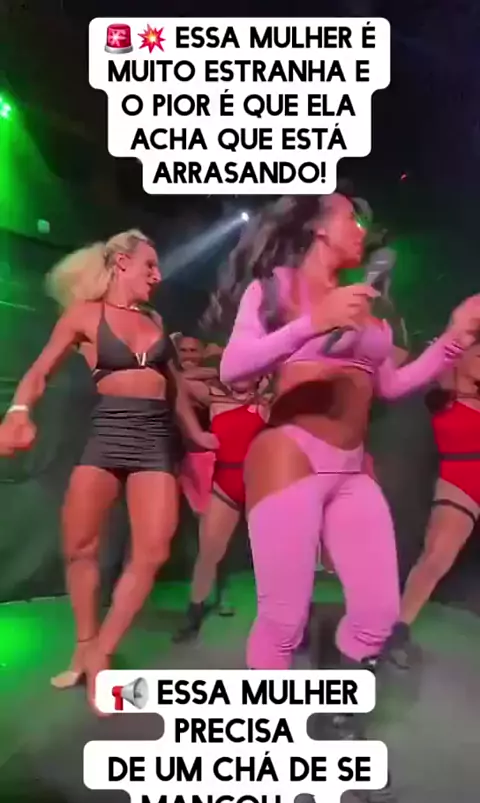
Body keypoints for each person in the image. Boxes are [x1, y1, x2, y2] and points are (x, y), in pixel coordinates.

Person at [209, 192, 480, 691]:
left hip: (351, 468)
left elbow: (391, 385)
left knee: (378, 615)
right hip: (289, 456)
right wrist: (313, 323)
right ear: (318, 227)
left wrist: (453, 338)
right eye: (351, 219)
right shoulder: (276, 287)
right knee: (283, 621)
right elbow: (233, 367)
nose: (361, 230)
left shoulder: (364, 303)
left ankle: (338, 706)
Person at [0, 229, 217, 710]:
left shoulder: (155, 319)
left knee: (153, 549)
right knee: (80, 547)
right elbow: (39, 371)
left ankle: (102, 652)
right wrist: (18, 412)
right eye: (149, 266)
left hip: (154, 439)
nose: (157, 276)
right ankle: (84, 644)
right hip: (107, 435)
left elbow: (174, 386)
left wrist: (196, 434)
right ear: (121, 263)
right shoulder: (85, 315)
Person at [175, 376, 270, 641]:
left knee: (275, 555)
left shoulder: (266, 402)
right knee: (208, 554)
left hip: (259, 484)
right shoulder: (214, 398)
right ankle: (193, 616)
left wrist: (267, 378)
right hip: (224, 483)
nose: (241, 377)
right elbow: (178, 384)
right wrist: (196, 432)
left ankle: (290, 618)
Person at [398, 343, 480, 637]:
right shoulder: (443, 386)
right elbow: (395, 356)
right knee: (436, 558)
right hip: (460, 480)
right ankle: (396, 631)